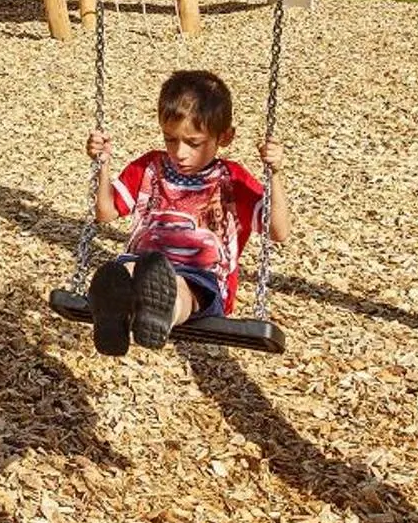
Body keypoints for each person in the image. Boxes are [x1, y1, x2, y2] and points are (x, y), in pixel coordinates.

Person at [85, 69, 291, 355]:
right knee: (126, 272)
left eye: (193, 143)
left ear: (225, 137)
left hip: (200, 275)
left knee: (180, 288)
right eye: (170, 139)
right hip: (142, 262)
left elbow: (279, 231)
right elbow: (105, 212)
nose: (180, 152)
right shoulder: (149, 167)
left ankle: (158, 316)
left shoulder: (232, 179)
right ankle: (114, 313)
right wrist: (103, 164)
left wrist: (275, 174)